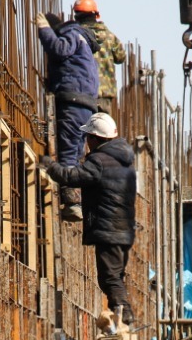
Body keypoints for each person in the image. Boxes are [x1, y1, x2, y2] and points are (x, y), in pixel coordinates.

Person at [41, 112, 136, 326]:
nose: (86, 143)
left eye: (87, 138)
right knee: (115, 276)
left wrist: (49, 165)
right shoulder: (124, 162)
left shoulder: (99, 160)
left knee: (109, 278)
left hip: (108, 229)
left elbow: (73, 177)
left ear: (95, 139)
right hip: (124, 230)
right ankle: (119, 318)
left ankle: (124, 317)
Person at [35, 7, 99, 221]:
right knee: (77, 150)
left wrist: (44, 30)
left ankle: (72, 201)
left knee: (69, 152)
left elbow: (58, 49)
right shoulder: (84, 43)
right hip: (85, 103)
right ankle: (75, 198)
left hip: (73, 101)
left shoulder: (71, 34)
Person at [72, 0, 126, 114]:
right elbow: (121, 57)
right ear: (96, 15)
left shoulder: (75, 36)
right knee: (103, 128)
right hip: (104, 93)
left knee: (84, 128)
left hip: (83, 92)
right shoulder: (109, 37)